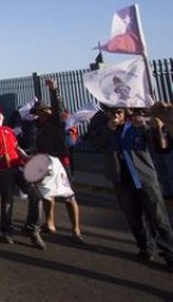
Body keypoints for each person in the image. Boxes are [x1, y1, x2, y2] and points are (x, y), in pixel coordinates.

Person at [87, 107, 173, 270]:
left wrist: (159, 127)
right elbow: (95, 143)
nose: (117, 115)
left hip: (145, 177)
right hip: (121, 178)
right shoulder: (100, 120)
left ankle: (169, 255)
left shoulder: (138, 116)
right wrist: (109, 129)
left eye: (119, 111)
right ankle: (145, 247)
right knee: (133, 216)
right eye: (113, 111)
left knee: (158, 218)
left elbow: (162, 147)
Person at [30, 79, 84, 243]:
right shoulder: (38, 128)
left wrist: (54, 90)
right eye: (38, 112)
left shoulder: (56, 123)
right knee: (48, 194)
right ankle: (49, 222)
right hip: (45, 163)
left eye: (43, 111)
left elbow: (57, 106)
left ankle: (76, 229)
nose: (40, 114)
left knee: (68, 196)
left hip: (61, 163)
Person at [0, 104, 45, 248]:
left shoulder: (8, 130)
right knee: (8, 201)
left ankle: (32, 228)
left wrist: (26, 157)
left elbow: (17, 148)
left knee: (36, 195)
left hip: (18, 168)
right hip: (4, 171)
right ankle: (7, 230)